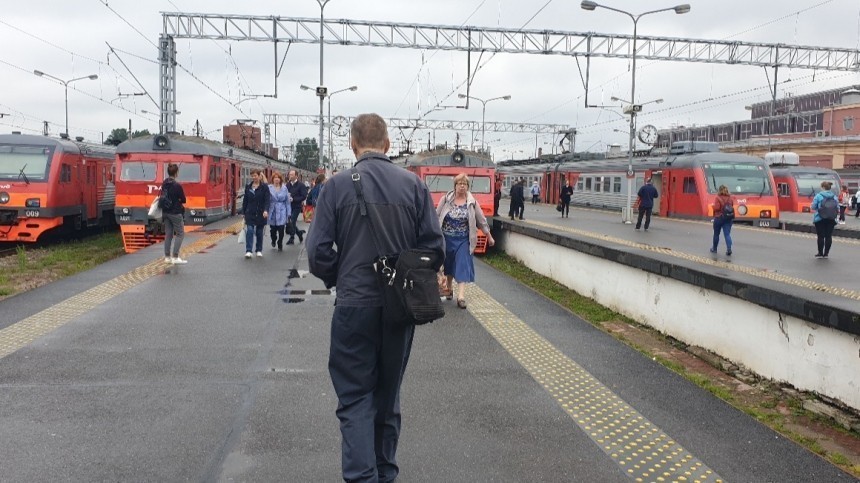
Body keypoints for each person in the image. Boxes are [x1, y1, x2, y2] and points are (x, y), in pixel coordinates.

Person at [306, 113, 444, 483]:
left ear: (352, 145)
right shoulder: (413, 187)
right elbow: (434, 248)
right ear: (387, 144)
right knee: (387, 398)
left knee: (355, 400)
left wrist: (343, 276)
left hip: (353, 307)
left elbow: (317, 252)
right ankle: (385, 474)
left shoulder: (334, 188)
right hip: (398, 310)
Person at [436, 173, 495, 309]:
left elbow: (481, 220)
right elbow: (436, 216)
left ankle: (461, 297)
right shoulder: (445, 199)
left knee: (462, 265)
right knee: (448, 264)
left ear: (468, 187)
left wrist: (489, 236)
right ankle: (449, 288)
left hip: (464, 240)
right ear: (455, 186)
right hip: (446, 238)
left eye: (465, 184)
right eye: (459, 184)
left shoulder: (472, 203)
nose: (462, 186)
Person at [161, 163, 187, 264]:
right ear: (176, 173)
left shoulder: (164, 183)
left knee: (168, 234)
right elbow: (183, 199)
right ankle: (175, 257)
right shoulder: (177, 185)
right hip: (175, 213)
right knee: (180, 234)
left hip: (165, 212)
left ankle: (167, 257)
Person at [241, 169, 270, 258]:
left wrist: (266, 210)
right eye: (252, 176)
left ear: (259, 176)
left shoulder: (264, 187)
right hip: (250, 212)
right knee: (249, 230)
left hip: (261, 213)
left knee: (259, 232)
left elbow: (267, 200)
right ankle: (249, 250)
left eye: (255, 175)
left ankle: (258, 250)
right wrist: (243, 212)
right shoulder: (248, 187)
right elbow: (245, 200)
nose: (254, 177)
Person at [812, 180, 838, 258]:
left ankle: (820, 253)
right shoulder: (834, 196)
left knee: (820, 236)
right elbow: (837, 207)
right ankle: (826, 253)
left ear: (823, 187)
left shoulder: (818, 196)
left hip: (820, 218)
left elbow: (813, 207)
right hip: (831, 218)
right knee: (828, 236)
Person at [267, 172, 291, 251]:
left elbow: (287, 202)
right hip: (272, 210)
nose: (276, 179)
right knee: (273, 229)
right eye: (275, 178)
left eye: (278, 178)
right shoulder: (269, 188)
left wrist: (289, 213)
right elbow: (266, 200)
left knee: (281, 229)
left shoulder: (284, 188)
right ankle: (273, 239)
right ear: (273, 179)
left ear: (280, 179)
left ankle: (280, 242)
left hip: (282, 210)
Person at [710, 185, 735, 256]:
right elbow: (731, 206)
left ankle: (714, 249)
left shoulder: (717, 198)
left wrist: (713, 206)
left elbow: (717, 208)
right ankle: (729, 249)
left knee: (716, 234)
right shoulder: (730, 198)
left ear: (719, 190)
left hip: (719, 217)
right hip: (728, 218)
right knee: (727, 234)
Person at [286, 169, 308, 244]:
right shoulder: (288, 185)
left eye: (292, 175)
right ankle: (299, 233)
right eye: (289, 175)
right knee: (290, 222)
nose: (290, 176)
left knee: (292, 220)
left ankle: (292, 238)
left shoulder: (301, 185)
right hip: (289, 206)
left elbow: (304, 196)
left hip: (297, 206)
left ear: (296, 176)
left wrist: (294, 199)